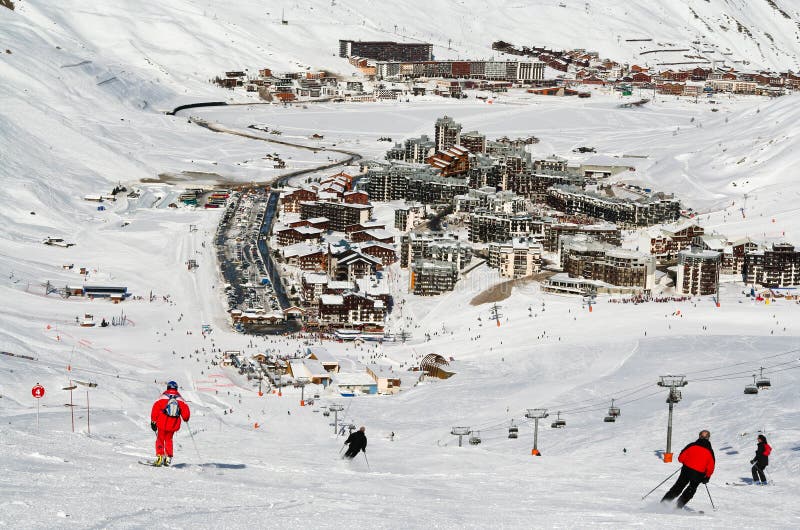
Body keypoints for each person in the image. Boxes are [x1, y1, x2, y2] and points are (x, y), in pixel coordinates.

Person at [661, 430, 715, 509]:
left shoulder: (691, 445)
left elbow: (680, 458)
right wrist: (707, 477)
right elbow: (711, 466)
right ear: (708, 438)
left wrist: (687, 462)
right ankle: (677, 507)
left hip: (686, 470)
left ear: (699, 436)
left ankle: (663, 504)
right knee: (691, 489)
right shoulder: (710, 451)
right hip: (699, 474)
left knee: (678, 487)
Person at [150, 381, 190, 467]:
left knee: (160, 439)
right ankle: (168, 458)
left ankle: (160, 456)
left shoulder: (162, 397)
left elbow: (155, 408)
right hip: (173, 424)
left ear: (168, 387)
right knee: (169, 439)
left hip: (162, 422)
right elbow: (186, 412)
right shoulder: (180, 399)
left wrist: (153, 421)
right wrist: (186, 418)